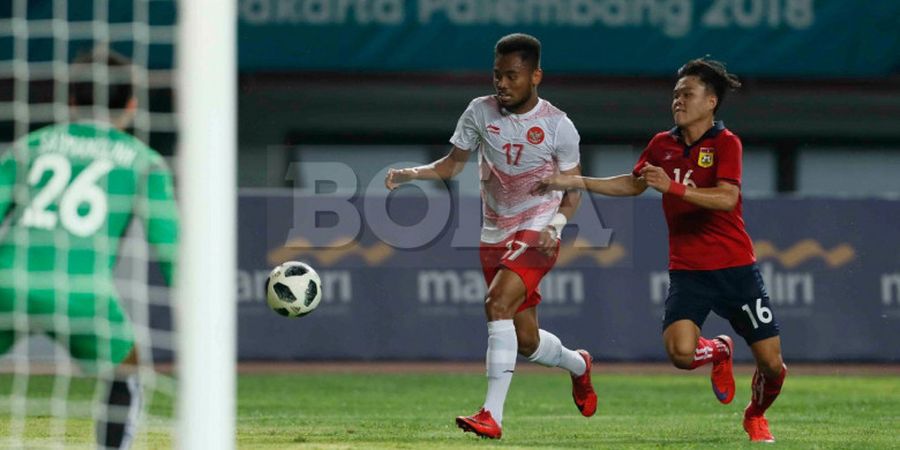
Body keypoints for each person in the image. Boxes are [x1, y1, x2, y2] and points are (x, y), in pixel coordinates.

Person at [535, 58, 786, 443]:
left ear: (711, 101)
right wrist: (572, 180)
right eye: (675, 95)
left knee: (772, 365)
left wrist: (672, 188)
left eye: (688, 94)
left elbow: (727, 197)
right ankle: (718, 351)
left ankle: (755, 414)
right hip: (688, 270)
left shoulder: (726, 143)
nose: (678, 101)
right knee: (681, 355)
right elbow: (633, 185)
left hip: (736, 268)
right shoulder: (661, 144)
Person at [385, 33, 597, 439]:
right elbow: (451, 166)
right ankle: (579, 365)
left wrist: (555, 227)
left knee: (496, 303)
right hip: (493, 232)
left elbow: (572, 190)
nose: (502, 83)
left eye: (512, 76)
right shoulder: (479, 112)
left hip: (539, 228)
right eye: (497, 75)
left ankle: (491, 415)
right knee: (528, 340)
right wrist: (412, 173)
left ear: (536, 76)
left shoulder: (559, 126)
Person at [0, 49, 179, 449]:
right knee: (128, 370)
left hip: (6, 282)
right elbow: (171, 251)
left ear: (72, 100)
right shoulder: (144, 162)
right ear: (132, 105)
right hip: (82, 294)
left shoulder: (31, 145)